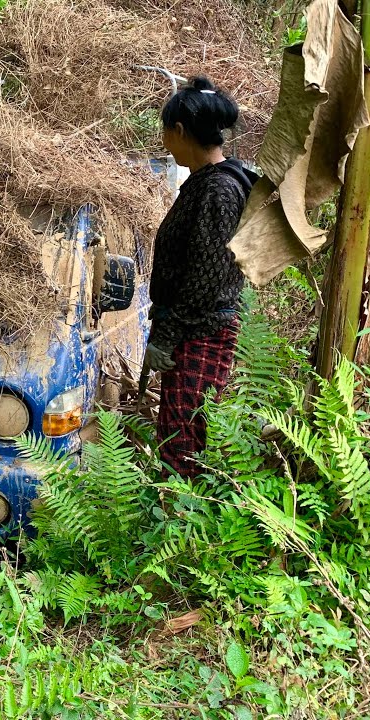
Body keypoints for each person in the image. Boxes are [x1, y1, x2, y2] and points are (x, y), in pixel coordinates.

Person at [145, 76, 258, 478]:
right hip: (192, 329)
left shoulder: (219, 190)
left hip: (201, 332)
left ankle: (183, 527)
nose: (163, 141)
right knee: (178, 435)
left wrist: (167, 335)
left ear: (178, 131)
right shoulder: (204, 184)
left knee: (185, 444)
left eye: (164, 131)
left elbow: (206, 276)